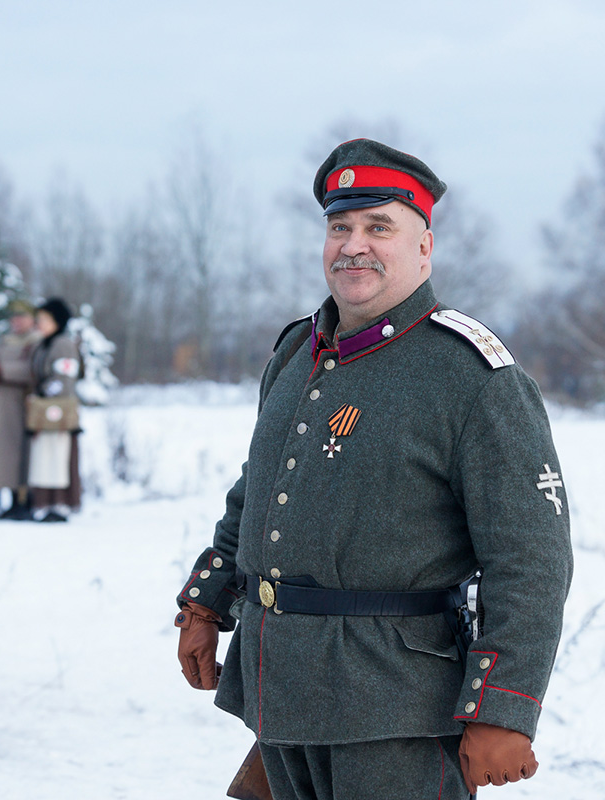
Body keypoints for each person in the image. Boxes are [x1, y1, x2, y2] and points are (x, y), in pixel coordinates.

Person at [174, 139, 573, 799]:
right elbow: (261, 489)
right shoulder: (299, 351)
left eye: (379, 226)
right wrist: (207, 597)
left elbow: (532, 557)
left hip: (399, 707)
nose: (353, 245)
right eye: (340, 227)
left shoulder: (471, 375)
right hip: (284, 688)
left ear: (424, 246)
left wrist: (504, 702)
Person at [26, 298, 82, 523]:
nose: (39, 322)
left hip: (58, 412)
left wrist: (44, 394)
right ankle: (45, 503)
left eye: (45, 318)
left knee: (58, 455)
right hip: (44, 410)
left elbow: (64, 378)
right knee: (44, 456)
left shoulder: (62, 344)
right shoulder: (44, 343)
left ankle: (59, 504)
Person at [0, 300, 41, 520]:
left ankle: (27, 500)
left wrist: (4, 371)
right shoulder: (5, 342)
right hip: (2, 406)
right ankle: (10, 499)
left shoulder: (36, 342)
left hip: (23, 404)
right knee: (5, 455)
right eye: (14, 317)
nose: (17, 321)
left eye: (22, 316)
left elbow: (35, 369)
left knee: (25, 453)